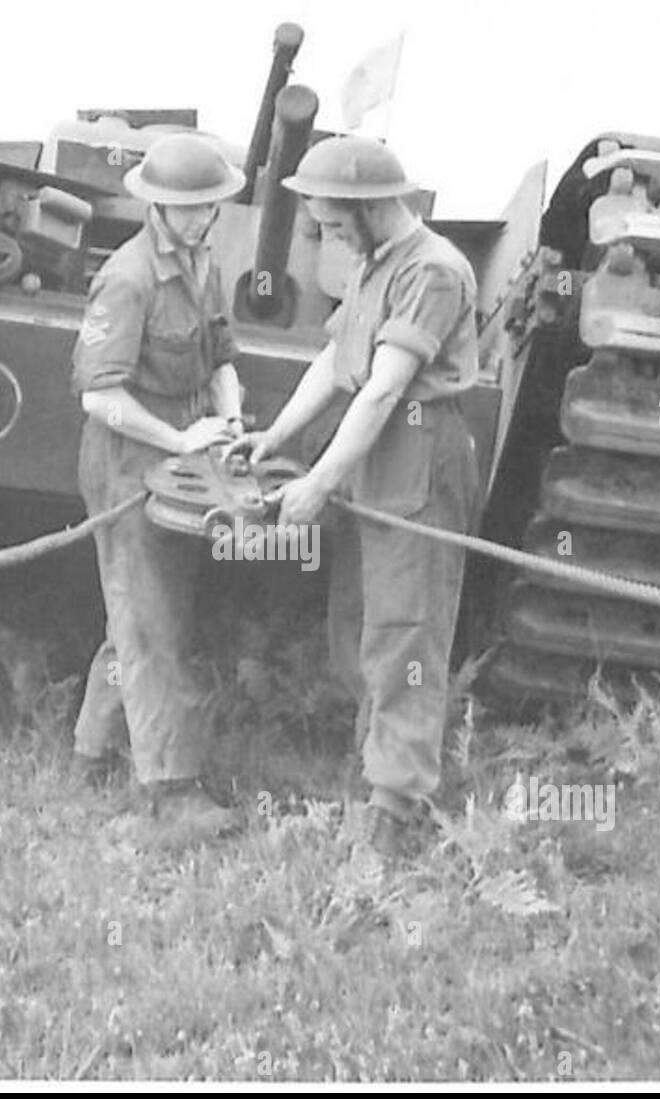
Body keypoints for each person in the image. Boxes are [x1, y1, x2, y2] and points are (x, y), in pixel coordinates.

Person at [241, 135, 483, 860]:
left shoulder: (434, 271)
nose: (329, 237)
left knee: (405, 632)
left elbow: (382, 387)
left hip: (417, 450)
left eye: (337, 223)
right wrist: (277, 438)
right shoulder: (376, 263)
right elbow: (335, 359)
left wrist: (316, 482)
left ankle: (395, 807)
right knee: (358, 621)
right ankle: (375, 765)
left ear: (375, 207)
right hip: (372, 457)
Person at [70, 132, 247, 837]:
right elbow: (97, 396)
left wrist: (228, 419)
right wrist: (179, 439)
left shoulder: (202, 266)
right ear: (159, 208)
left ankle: (92, 748)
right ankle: (169, 793)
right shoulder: (128, 277)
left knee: (144, 611)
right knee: (150, 622)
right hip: (127, 462)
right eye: (189, 207)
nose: (203, 217)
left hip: (182, 460)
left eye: (210, 205)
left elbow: (221, 356)